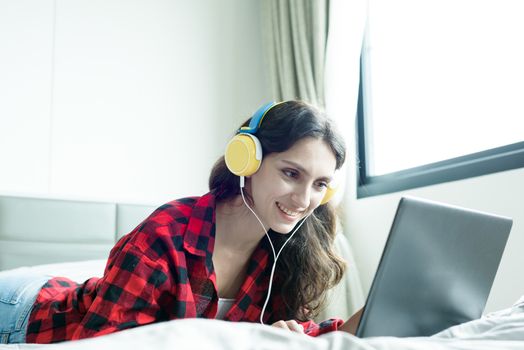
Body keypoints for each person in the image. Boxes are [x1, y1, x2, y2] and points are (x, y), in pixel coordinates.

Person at [0, 100, 355, 344]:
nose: (304, 199)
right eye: (291, 173)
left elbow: (318, 336)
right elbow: (102, 346)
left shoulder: (290, 248)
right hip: (21, 311)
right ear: (247, 160)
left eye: (320, 184)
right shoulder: (164, 236)